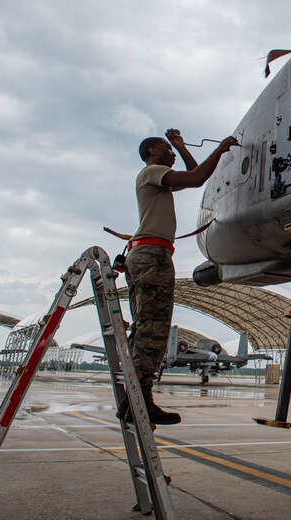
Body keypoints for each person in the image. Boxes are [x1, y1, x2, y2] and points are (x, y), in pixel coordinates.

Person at [117, 128, 238, 425]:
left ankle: (132, 402)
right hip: (152, 256)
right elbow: (197, 178)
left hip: (145, 254)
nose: (172, 154)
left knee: (146, 327)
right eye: (167, 149)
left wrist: (181, 145)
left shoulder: (157, 179)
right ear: (152, 153)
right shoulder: (152, 172)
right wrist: (221, 149)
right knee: (155, 329)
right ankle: (139, 400)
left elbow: (194, 172)